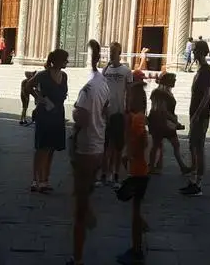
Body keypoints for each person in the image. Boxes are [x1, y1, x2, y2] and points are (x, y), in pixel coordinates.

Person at [69, 40, 109, 265]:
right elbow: (106, 111)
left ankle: (78, 258)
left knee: (79, 213)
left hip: (85, 148)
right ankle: (87, 204)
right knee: (82, 192)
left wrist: (75, 124)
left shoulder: (87, 88)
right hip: (98, 146)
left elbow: (81, 117)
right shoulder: (103, 83)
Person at [115, 71, 151, 265]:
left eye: (129, 96)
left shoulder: (137, 119)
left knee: (134, 210)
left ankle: (137, 250)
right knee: (135, 207)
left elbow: (143, 141)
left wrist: (131, 155)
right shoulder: (136, 117)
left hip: (138, 172)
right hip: (139, 171)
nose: (127, 99)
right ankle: (140, 234)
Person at [32, 49, 69, 193]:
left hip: (58, 113)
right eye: (65, 59)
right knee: (42, 147)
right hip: (45, 113)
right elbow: (28, 86)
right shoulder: (43, 75)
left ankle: (45, 180)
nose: (67, 62)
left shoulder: (64, 76)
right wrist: (39, 98)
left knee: (52, 147)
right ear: (57, 60)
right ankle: (35, 180)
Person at [181, 40, 210, 196]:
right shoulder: (201, 70)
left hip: (200, 117)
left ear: (201, 52)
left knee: (198, 148)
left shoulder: (206, 71)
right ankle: (193, 181)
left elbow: (207, 95)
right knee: (193, 147)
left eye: (195, 51)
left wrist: (197, 115)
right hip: (196, 115)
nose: (193, 53)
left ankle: (198, 184)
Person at [101, 41, 133, 186]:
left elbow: (130, 91)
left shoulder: (126, 71)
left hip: (119, 112)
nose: (112, 54)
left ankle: (115, 174)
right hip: (106, 112)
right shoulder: (105, 70)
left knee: (118, 145)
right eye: (110, 52)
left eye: (114, 52)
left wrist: (128, 109)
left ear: (119, 53)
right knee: (106, 144)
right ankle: (104, 173)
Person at [148, 72, 190, 176]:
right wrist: (176, 122)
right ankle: (153, 166)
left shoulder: (164, 92)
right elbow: (163, 110)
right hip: (161, 123)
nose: (175, 81)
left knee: (167, 144)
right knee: (158, 144)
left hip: (164, 122)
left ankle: (158, 166)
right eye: (173, 79)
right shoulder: (160, 92)